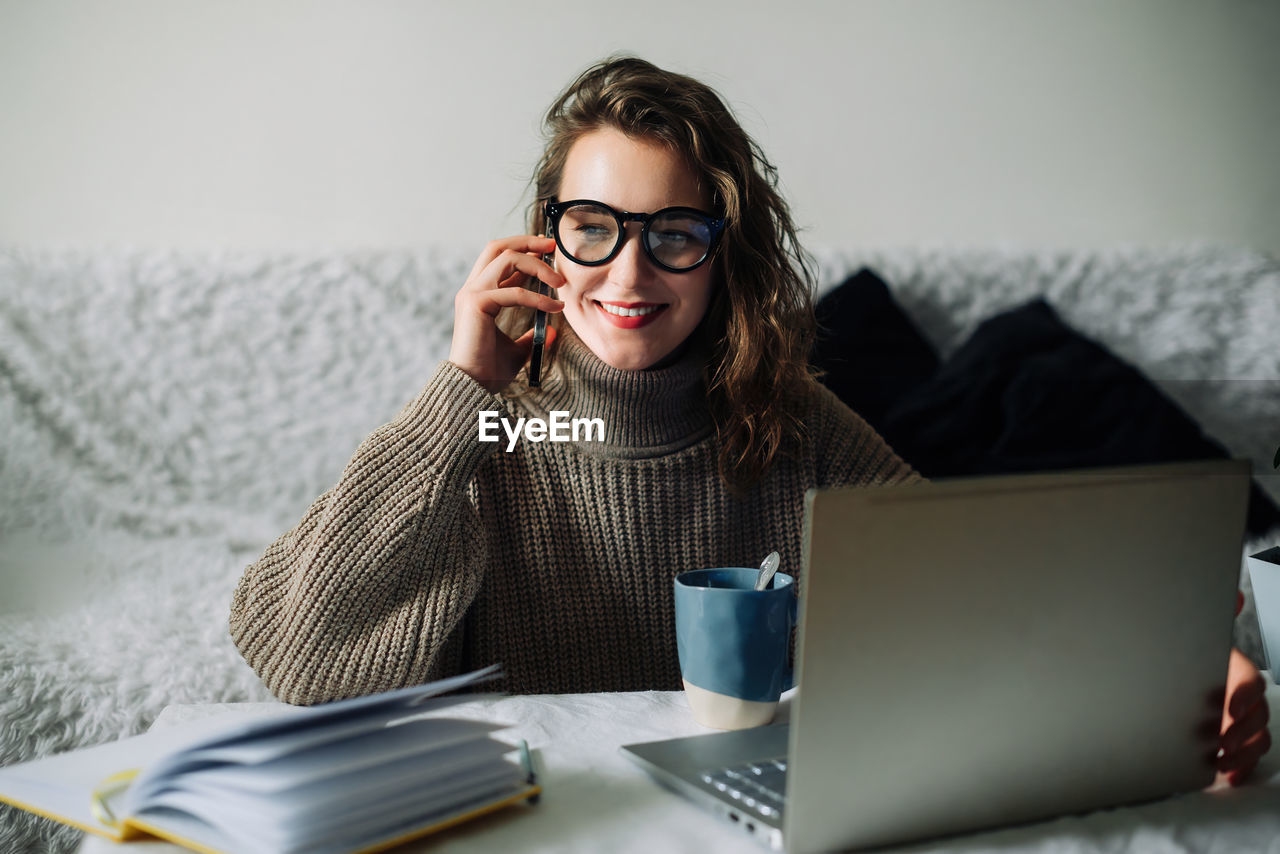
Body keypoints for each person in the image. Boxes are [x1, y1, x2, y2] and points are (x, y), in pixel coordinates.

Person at [229, 56, 1269, 784]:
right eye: (591, 229)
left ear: (721, 251)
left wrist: (1178, 664)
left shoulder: (787, 423)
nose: (628, 273)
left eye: (673, 232)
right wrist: (458, 389)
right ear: (545, 242)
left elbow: (975, 585)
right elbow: (298, 655)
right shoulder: (495, 433)